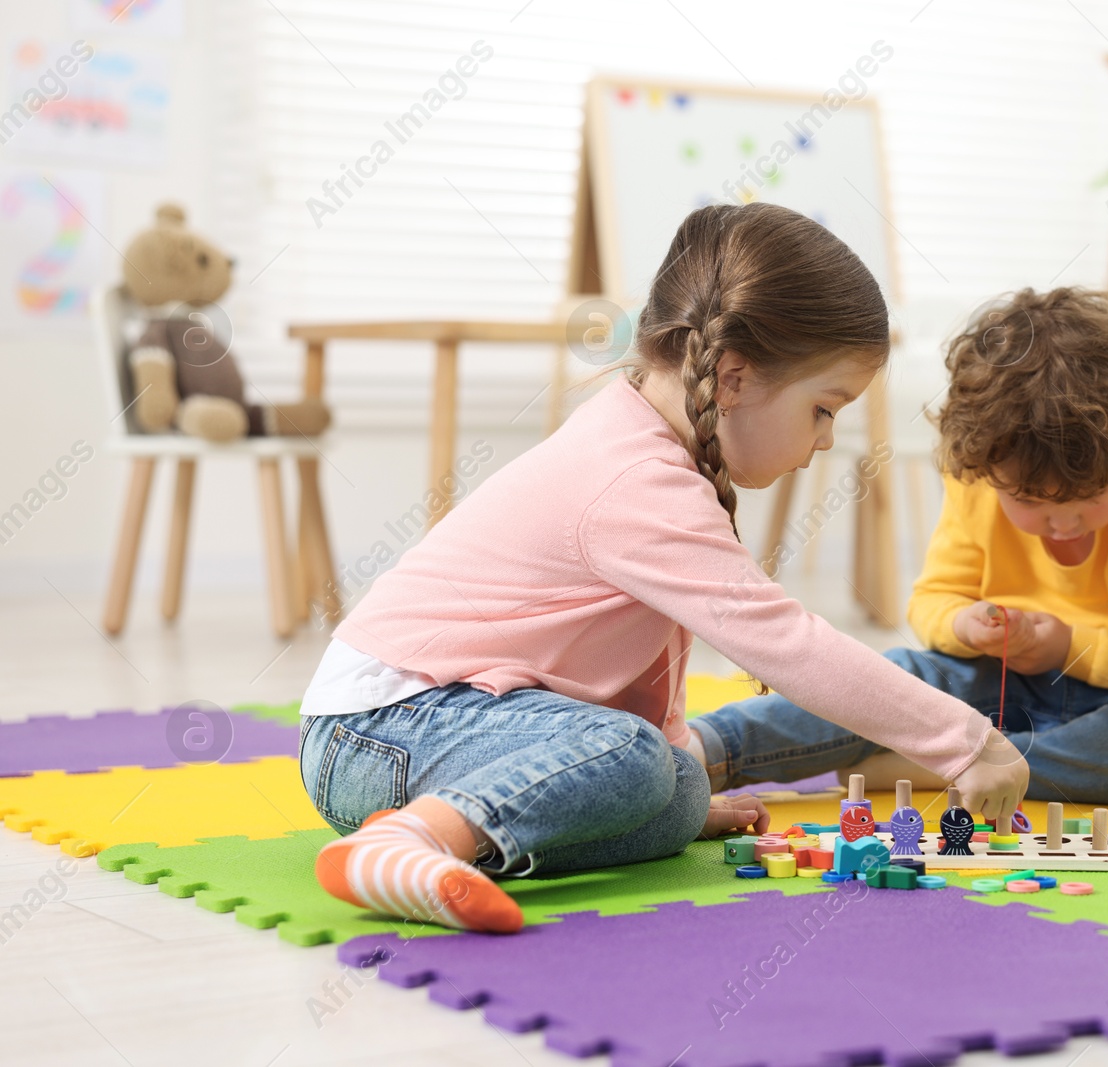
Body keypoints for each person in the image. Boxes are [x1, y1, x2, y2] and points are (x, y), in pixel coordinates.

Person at [297, 203, 1027, 933]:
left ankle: (452, 836)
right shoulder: (634, 478)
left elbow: (650, 666)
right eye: (823, 409)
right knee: (635, 758)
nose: (827, 439)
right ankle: (409, 839)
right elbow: (785, 642)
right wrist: (968, 740)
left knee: (676, 790)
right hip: (379, 729)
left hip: (441, 725)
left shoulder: (649, 440)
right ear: (733, 378)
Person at [692, 286, 1108, 811]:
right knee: (897, 674)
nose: (1064, 521)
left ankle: (950, 764)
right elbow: (932, 604)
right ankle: (710, 749)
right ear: (985, 467)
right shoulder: (979, 475)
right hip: (986, 684)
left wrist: (1069, 648)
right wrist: (964, 624)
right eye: (1030, 500)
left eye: (1092, 496)